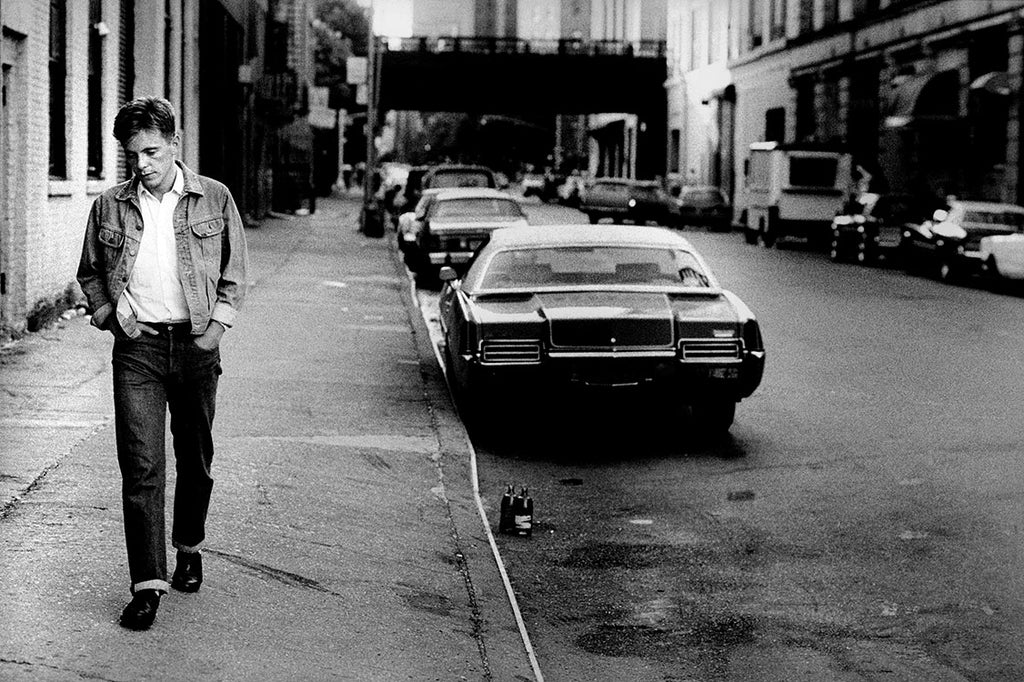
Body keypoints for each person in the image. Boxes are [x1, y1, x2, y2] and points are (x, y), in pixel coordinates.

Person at [77, 96, 249, 630]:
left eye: (152, 151)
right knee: (142, 466)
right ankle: (147, 585)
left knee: (195, 458)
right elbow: (89, 272)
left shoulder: (214, 198)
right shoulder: (109, 205)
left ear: (176, 143)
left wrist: (214, 332)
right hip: (139, 352)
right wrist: (113, 318)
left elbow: (234, 270)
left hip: (196, 346)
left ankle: (189, 546)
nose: (143, 164)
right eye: (133, 155)